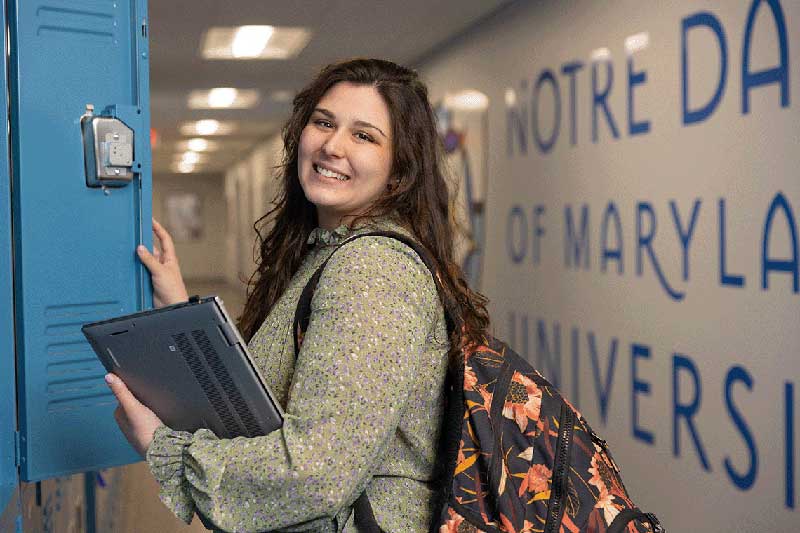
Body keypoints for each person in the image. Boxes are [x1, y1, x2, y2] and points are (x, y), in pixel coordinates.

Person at [105, 58, 489, 532]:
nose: (332, 145)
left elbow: (315, 474)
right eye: (324, 123)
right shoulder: (326, 253)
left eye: (364, 136)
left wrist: (165, 449)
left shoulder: (373, 270)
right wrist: (179, 305)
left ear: (398, 172)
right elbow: (268, 400)